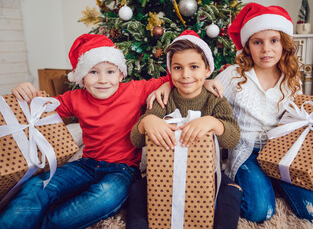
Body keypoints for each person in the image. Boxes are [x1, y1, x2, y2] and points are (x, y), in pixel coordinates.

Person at [0, 34, 222, 229]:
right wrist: (24, 92)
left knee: (105, 196)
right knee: (37, 186)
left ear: (121, 74)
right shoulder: (74, 98)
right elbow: (40, 109)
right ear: (81, 78)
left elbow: (182, 77)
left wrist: (208, 80)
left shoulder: (135, 90)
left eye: (110, 71)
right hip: (86, 164)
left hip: (123, 170)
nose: (103, 80)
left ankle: (48, 224)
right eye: (93, 72)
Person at [215, 2, 313, 223]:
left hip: (281, 152)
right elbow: (201, 91)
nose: (266, 49)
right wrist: (165, 85)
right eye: (258, 42)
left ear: (284, 43)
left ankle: (273, 180)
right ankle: (244, 180)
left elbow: (305, 120)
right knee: (259, 211)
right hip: (246, 151)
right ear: (248, 46)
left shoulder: (292, 80)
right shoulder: (233, 76)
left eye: (274, 41)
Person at [126, 30, 243, 229]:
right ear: (170, 71)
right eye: (178, 68)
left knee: (232, 191)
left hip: (208, 175)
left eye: (194, 67)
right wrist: (148, 122)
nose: (186, 75)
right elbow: (136, 140)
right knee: (138, 189)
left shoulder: (215, 101)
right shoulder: (164, 100)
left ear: (207, 70)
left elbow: (233, 139)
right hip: (164, 175)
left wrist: (213, 123)